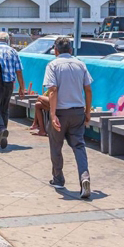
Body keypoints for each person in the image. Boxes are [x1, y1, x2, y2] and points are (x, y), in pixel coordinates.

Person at [44, 37, 93, 199]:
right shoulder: (81, 64)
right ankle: (84, 176)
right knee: (79, 146)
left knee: (56, 145)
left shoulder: (53, 65)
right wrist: (87, 111)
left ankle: (58, 178)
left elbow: (52, 90)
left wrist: (52, 115)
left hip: (60, 112)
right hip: (78, 111)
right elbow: (88, 90)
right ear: (71, 50)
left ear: (56, 51)